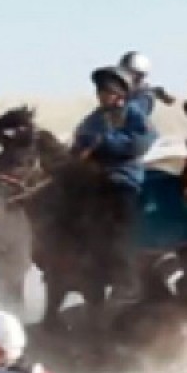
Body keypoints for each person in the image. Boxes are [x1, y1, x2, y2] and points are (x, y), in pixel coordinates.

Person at [71, 66, 159, 305]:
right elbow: (79, 139)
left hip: (123, 179)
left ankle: (127, 282)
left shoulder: (133, 114)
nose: (102, 95)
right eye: (100, 91)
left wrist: (105, 143)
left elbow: (144, 140)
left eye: (108, 91)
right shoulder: (94, 118)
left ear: (120, 93)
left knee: (119, 227)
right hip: (95, 181)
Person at [117, 51, 175, 117]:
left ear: (140, 75)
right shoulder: (120, 91)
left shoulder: (145, 96)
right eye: (123, 71)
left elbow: (133, 112)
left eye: (128, 72)